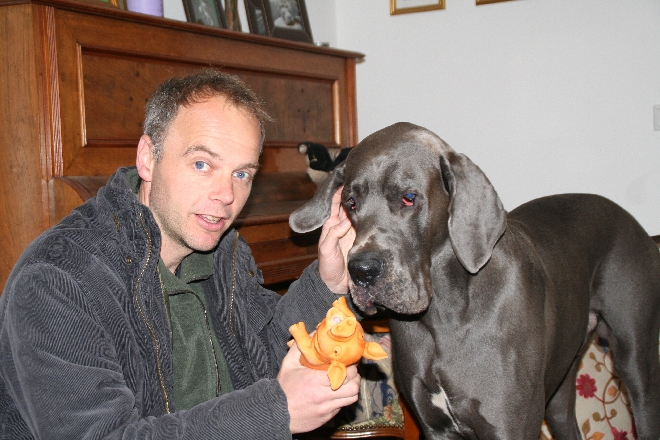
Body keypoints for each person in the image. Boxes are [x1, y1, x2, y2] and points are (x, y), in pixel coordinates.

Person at [0, 70, 359, 439]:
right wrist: (272, 413)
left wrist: (326, 281)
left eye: (241, 174)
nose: (226, 195)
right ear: (147, 158)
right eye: (202, 164)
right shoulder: (58, 281)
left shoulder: (222, 253)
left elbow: (263, 359)